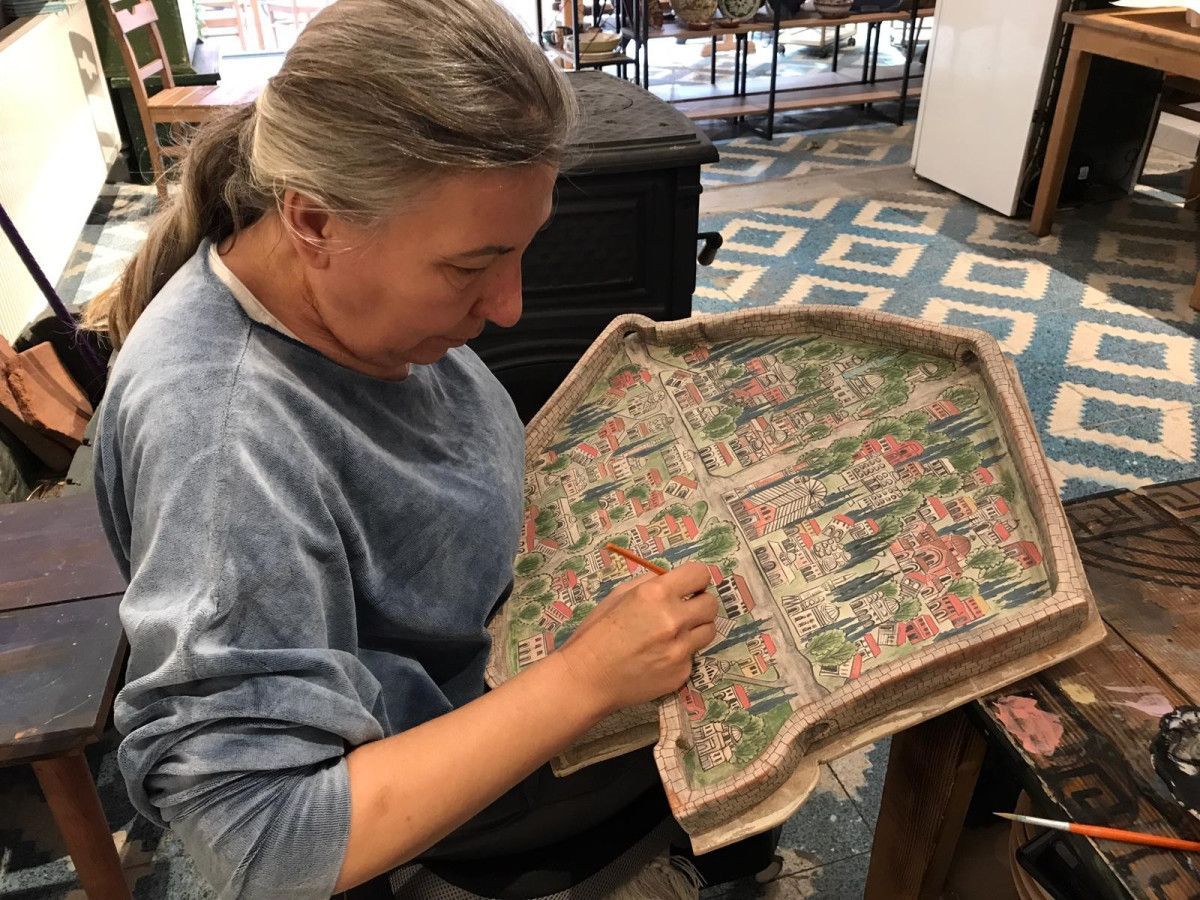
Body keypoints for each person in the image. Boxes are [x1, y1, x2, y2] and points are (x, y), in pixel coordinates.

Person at [84, 1, 719, 897]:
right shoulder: (226, 450)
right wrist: (585, 678)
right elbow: (261, 843)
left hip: (486, 648)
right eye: (469, 266)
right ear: (313, 222)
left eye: (521, 251)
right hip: (424, 779)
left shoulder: (340, 295)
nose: (509, 307)